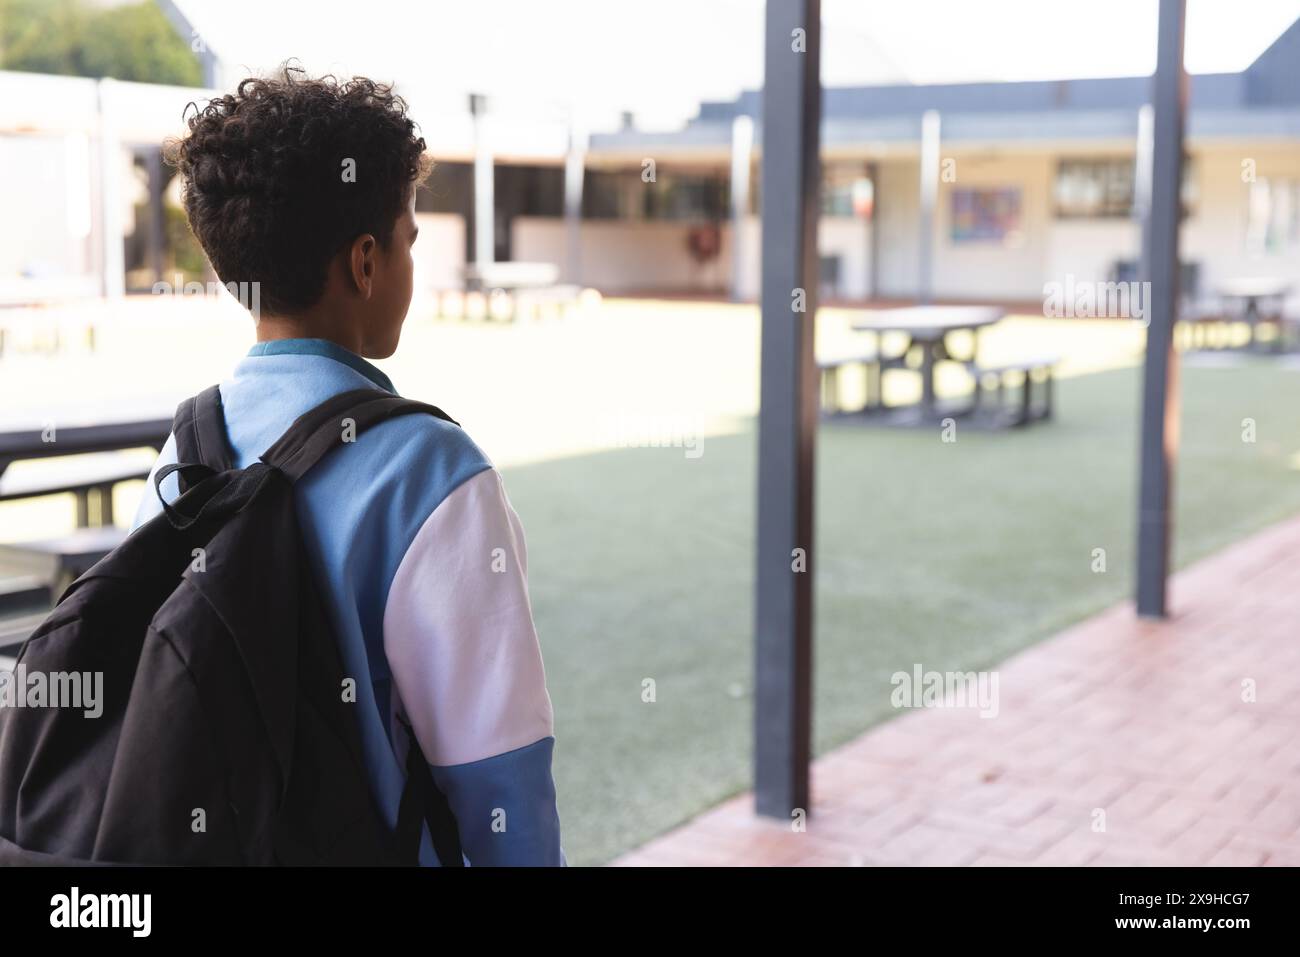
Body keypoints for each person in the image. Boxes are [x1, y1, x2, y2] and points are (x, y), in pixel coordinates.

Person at [133, 66, 564, 866]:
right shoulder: (435, 474)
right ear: (366, 264)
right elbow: (500, 783)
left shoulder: (182, 454)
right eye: (408, 237)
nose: (410, 260)